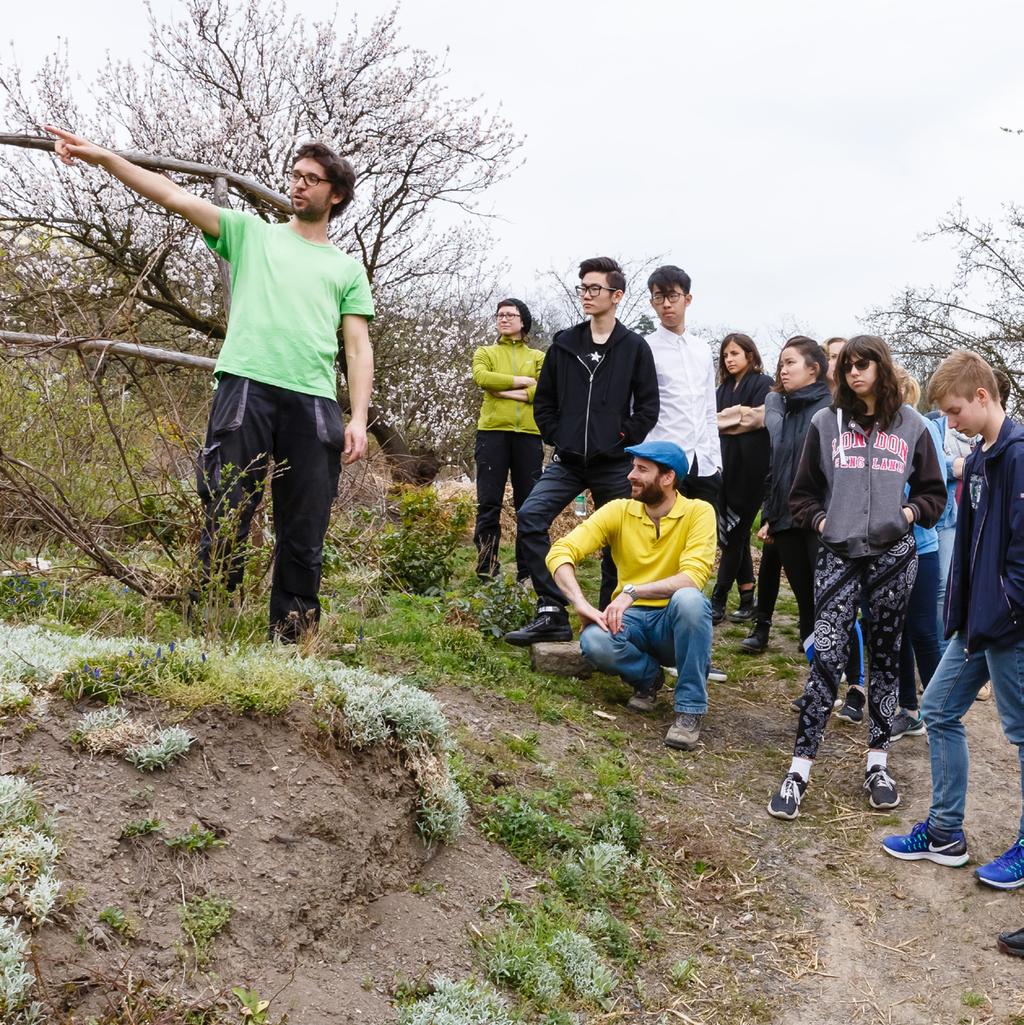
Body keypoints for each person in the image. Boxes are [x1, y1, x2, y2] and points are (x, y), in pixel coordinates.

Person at [45, 126, 374, 642]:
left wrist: (357, 416)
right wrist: (102, 157)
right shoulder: (252, 233)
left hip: (314, 403)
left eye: (312, 179)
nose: (299, 186)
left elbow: (357, 347)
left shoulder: (347, 269)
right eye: (295, 176)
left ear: (335, 195)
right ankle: (210, 633)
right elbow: (173, 194)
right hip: (246, 387)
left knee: (305, 527)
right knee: (226, 511)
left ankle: (291, 643)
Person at [768, 335, 945, 820]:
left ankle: (878, 763)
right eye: (848, 366)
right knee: (825, 656)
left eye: (864, 365)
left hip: (893, 556)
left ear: (882, 369)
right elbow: (802, 495)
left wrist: (907, 514)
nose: (855, 374)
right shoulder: (827, 424)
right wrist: (824, 523)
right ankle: (799, 769)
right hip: (838, 556)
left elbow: (934, 493)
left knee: (888, 660)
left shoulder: (913, 426)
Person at [883, 351, 1024, 890]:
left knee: (1021, 734)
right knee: (939, 710)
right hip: (976, 624)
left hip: (1009, 625)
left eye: (955, 410)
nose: (950, 421)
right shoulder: (984, 458)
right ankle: (945, 832)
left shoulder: (1017, 455)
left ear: (983, 397)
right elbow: (969, 546)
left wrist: (1002, 611)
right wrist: (960, 612)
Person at [504, 257, 659, 646]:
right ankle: (552, 610)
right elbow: (545, 402)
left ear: (617, 295)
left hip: (615, 464)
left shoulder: (634, 348)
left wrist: (621, 438)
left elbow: (648, 408)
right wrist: (559, 435)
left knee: (620, 542)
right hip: (568, 461)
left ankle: (608, 620)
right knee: (531, 516)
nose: (587, 295)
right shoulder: (565, 344)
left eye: (595, 289)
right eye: (583, 288)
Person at [545, 440, 716, 750]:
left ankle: (689, 709)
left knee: (691, 601)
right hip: (631, 623)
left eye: (641, 469)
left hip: (675, 624)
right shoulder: (619, 511)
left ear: (668, 478)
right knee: (593, 640)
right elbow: (560, 551)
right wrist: (580, 603)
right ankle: (648, 678)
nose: (630, 476)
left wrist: (632, 592)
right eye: (632, 467)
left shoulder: (698, 512)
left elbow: (693, 578)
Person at [755, 338, 832, 663]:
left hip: (819, 522)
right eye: (782, 364)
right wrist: (770, 515)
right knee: (805, 603)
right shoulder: (787, 410)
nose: (783, 370)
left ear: (813, 369)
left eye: (791, 363)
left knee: (827, 603)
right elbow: (778, 466)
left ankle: (849, 682)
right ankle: (818, 681)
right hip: (786, 521)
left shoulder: (830, 410)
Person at [471, 300, 545, 581]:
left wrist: (503, 390)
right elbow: (482, 377)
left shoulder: (538, 356)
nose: (504, 319)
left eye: (510, 315)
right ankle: (487, 569)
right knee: (488, 503)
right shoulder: (485, 352)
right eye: (500, 314)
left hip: (528, 435)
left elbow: (545, 389)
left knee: (528, 505)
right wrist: (522, 381)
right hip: (492, 433)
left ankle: (526, 572)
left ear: (523, 321)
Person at [890, 368, 944, 741]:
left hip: (922, 547)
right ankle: (909, 710)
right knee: (896, 632)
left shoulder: (922, 426)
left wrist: (906, 514)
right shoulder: (872, 430)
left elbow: (935, 492)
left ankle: (941, 711)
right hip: (883, 552)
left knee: (923, 631)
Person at [643, 266, 722, 504]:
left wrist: (717, 461)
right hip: (662, 460)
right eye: (659, 297)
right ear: (652, 302)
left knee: (704, 538)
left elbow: (709, 408)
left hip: (704, 463)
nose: (666, 304)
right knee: (661, 536)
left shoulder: (703, 349)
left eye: (673, 296)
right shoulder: (644, 348)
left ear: (687, 299)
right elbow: (635, 406)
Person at [711, 333, 773, 625]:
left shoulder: (763, 384)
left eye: (735, 353)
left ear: (750, 353)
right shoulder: (722, 388)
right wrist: (736, 417)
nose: (729, 359)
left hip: (753, 472)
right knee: (732, 534)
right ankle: (747, 597)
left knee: (736, 534)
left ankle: (719, 597)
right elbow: (711, 423)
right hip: (725, 469)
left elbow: (760, 419)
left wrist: (725, 419)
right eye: (725, 355)